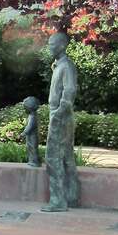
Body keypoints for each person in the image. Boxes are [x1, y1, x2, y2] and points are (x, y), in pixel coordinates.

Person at [41, 32, 80, 212]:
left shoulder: (66, 66)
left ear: (62, 45)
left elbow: (69, 91)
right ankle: (72, 197)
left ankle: (57, 201)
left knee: (53, 158)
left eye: (52, 44)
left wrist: (57, 113)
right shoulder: (58, 66)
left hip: (61, 116)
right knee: (66, 156)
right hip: (60, 114)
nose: (49, 47)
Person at [21, 96, 40, 167]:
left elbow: (30, 126)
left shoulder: (32, 117)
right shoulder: (32, 115)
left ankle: (35, 161)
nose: (24, 109)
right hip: (30, 136)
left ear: (29, 108)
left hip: (32, 137)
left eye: (25, 108)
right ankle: (32, 160)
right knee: (30, 148)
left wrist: (24, 133)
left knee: (33, 148)